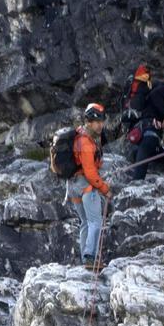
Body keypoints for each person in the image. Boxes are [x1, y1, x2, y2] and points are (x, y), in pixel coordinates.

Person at [68, 103, 112, 270]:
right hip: (85, 186)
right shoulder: (86, 142)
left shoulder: (80, 135)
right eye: (96, 122)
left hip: (72, 186)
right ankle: (89, 257)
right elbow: (90, 173)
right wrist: (105, 189)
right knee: (96, 221)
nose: (100, 125)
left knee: (85, 222)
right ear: (88, 121)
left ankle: (86, 258)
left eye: (101, 121)